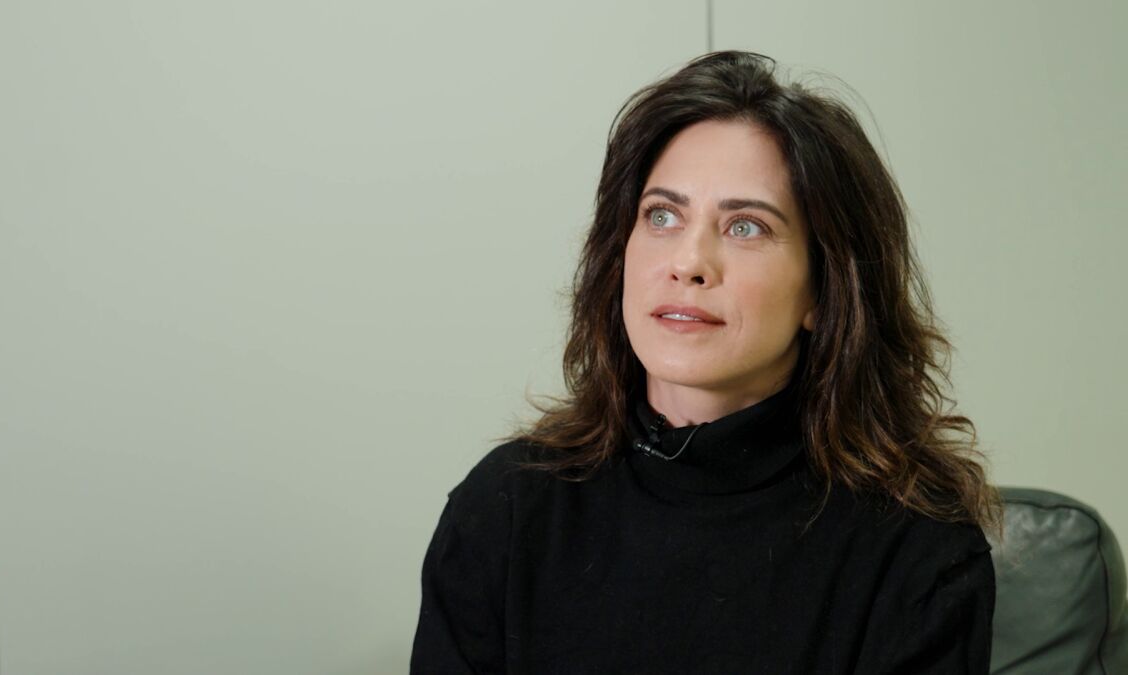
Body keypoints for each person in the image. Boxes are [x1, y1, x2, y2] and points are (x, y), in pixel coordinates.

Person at [411, 50, 1001, 674]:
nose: (688, 262)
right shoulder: (505, 507)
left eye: (745, 226)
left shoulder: (918, 549)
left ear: (824, 291)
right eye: (662, 216)